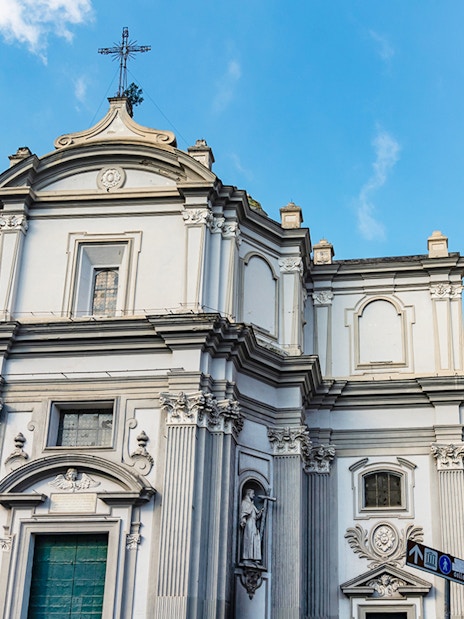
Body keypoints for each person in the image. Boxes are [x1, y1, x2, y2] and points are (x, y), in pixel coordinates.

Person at [240, 488, 263, 564]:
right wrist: (243, 520)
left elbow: (256, 516)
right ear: (248, 494)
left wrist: (261, 512)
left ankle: (255, 557)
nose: (254, 495)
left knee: (256, 539)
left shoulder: (252, 505)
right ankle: (246, 557)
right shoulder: (245, 502)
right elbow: (243, 513)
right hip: (249, 523)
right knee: (249, 539)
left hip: (253, 523)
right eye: (253, 494)